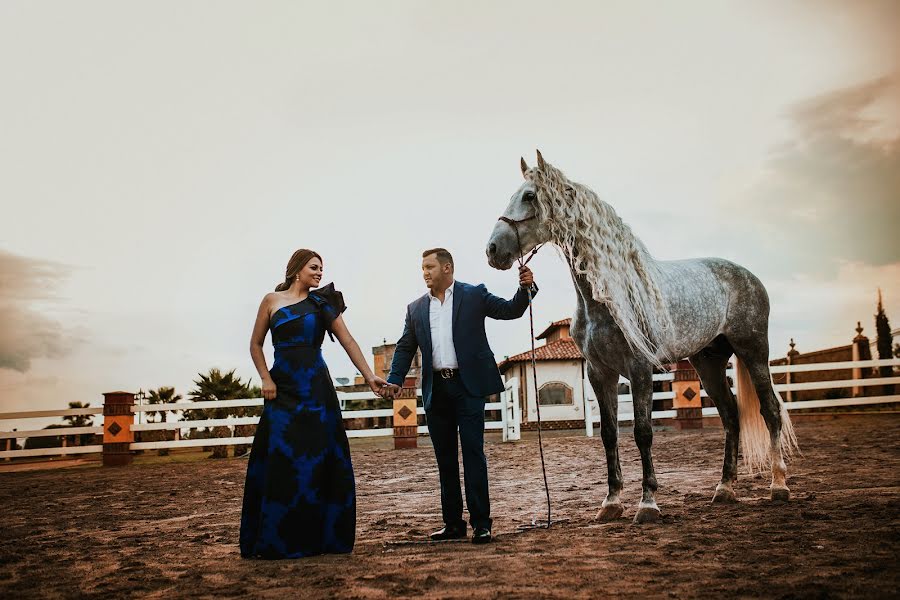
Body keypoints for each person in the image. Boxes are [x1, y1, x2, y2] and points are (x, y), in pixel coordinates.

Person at [240, 248, 389, 559]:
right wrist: (266, 379)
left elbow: (348, 340)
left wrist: (370, 375)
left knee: (319, 461)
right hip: (281, 390)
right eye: (314, 267)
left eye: (322, 268)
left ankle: (320, 538)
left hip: (316, 391)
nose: (320, 272)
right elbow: (255, 344)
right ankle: (278, 538)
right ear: (298, 269)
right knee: (281, 462)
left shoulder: (323, 302)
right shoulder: (271, 301)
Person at [382, 248, 536, 544]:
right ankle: (453, 524)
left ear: (447, 268)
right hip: (436, 390)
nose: (424, 272)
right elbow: (404, 348)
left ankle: (481, 523)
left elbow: (510, 310)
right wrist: (394, 380)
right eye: (422, 268)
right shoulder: (415, 308)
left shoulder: (474, 295)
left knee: (473, 454)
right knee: (446, 460)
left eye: (429, 267)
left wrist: (525, 288)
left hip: (468, 389)